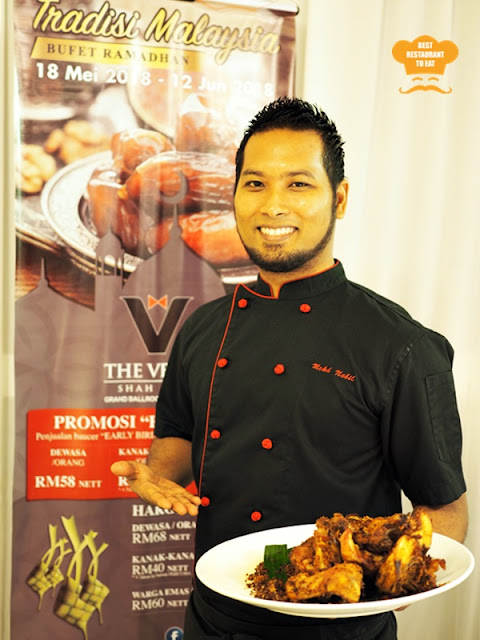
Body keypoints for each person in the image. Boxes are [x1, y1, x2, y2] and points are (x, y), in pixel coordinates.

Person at [111, 97, 468, 639]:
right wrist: (153, 475)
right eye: (255, 184)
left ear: (339, 198)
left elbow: (444, 508)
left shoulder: (400, 345)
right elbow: (180, 443)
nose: (272, 206)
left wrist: (400, 576)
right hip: (214, 618)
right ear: (234, 196)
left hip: (337, 629)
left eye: (298, 184)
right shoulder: (203, 328)